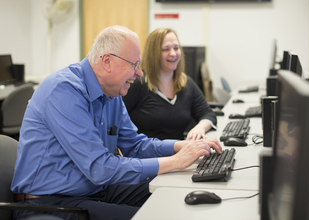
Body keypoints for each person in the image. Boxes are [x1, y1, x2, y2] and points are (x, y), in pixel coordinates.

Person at [10, 25, 222, 220]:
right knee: (155, 214)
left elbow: (136, 145)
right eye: (134, 65)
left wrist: (181, 146)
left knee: (176, 192)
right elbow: (100, 168)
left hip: (95, 189)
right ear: (107, 61)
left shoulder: (112, 93)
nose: (139, 73)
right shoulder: (64, 90)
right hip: (51, 202)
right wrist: (176, 161)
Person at [122, 28, 217, 141]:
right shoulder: (138, 83)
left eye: (176, 48)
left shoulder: (186, 83)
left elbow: (207, 113)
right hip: (147, 155)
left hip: (180, 152)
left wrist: (200, 128)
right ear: (153, 53)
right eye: (166, 49)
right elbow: (116, 122)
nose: (173, 53)